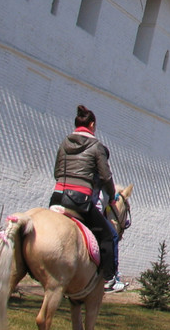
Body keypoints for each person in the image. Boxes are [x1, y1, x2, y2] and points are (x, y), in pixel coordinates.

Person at [50, 105, 119, 282]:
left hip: (57, 197)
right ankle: (107, 279)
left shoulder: (65, 141)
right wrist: (111, 196)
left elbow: (57, 171)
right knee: (109, 235)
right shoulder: (96, 146)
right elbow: (105, 175)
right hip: (79, 201)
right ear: (92, 125)